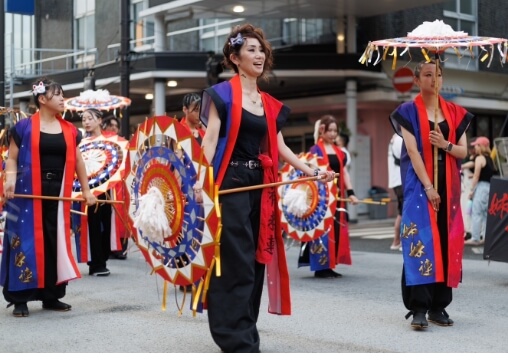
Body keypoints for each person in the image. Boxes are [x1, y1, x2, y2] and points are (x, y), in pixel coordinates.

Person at [195, 24, 335, 352]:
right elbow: (210, 141)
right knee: (235, 259)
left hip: (261, 184)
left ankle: (246, 329)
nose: (259, 55)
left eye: (261, 50)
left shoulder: (269, 103)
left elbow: (280, 147)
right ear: (234, 57)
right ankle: (232, 334)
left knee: (257, 258)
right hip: (228, 183)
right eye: (251, 50)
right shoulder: (221, 95)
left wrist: (312, 171)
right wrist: (198, 182)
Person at [0, 77, 97, 317]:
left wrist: (86, 191)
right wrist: (9, 182)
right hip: (25, 192)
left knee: (54, 242)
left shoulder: (70, 130)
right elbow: (11, 159)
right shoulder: (23, 128)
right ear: (42, 99)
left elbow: (79, 162)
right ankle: (20, 298)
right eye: (58, 95)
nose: (63, 99)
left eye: (63, 94)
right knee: (24, 241)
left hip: (58, 193)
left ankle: (51, 295)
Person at [390, 60, 473, 329]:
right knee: (422, 242)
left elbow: (463, 152)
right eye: (427, 74)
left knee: (447, 243)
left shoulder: (455, 113)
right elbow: (413, 152)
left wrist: (445, 143)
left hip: (449, 189)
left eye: (438, 74)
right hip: (420, 187)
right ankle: (419, 308)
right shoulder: (407, 112)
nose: (434, 79)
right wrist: (428, 187)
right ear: (417, 80)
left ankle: (439, 306)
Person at [298, 115, 359, 278]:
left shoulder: (340, 152)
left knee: (335, 229)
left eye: (335, 131)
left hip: (337, 196)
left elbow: (344, 172)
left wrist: (351, 193)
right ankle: (320, 267)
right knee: (322, 230)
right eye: (330, 130)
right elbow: (309, 173)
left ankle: (329, 265)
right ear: (322, 130)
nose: (333, 134)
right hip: (321, 197)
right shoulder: (314, 151)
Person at [74, 108, 122, 276]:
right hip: (88, 189)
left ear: (100, 120)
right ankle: (95, 262)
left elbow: (118, 163)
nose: (86, 122)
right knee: (91, 224)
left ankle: (102, 257)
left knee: (106, 223)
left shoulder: (112, 141)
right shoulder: (80, 142)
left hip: (107, 188)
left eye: (90, 118)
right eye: (84, 119)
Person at [102, 114, 130, 260]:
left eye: (115, 126)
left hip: (120, 183)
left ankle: (120, 247)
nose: (113, 128)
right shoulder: (101, 142)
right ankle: (110, 247)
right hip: (107, 183)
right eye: (110, 125)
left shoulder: (122, 143)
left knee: (121, 216)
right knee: (111, 216)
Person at [464, 137, 495, 246]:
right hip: (489, 187)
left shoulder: (479, 158)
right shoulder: (489, 159)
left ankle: (475, 237)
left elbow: (477, 175)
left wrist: (472, 190)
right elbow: (486, 173)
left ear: (481, 146)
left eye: (477, 145)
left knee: (476, 212)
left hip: (481, 188)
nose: (475, 147)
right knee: (486, 213)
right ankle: (486, 237)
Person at [388, 132, 403, 251]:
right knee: (404, 212)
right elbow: (403, 158)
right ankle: (398, 241)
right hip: (401, 179)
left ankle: (397, 241)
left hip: (397, 180)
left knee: (402, 211)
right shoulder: (399, 139)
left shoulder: (396, 138)